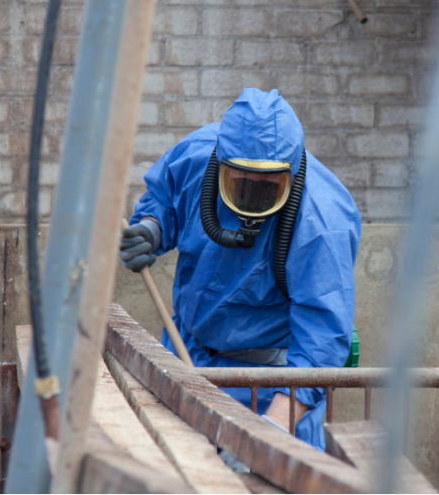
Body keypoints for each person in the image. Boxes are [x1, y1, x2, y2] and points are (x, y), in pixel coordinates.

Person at [119, 88, 361, 450]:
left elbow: (320, 341)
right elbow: (165, 199)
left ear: (291, 173)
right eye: (241, 184)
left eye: (269, 187)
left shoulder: (320, 222)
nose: (254, 196)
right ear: (222, 160)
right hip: (185, 357)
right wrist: (151, 229)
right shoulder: (198, 156)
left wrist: (271, 433)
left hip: (268, 385)